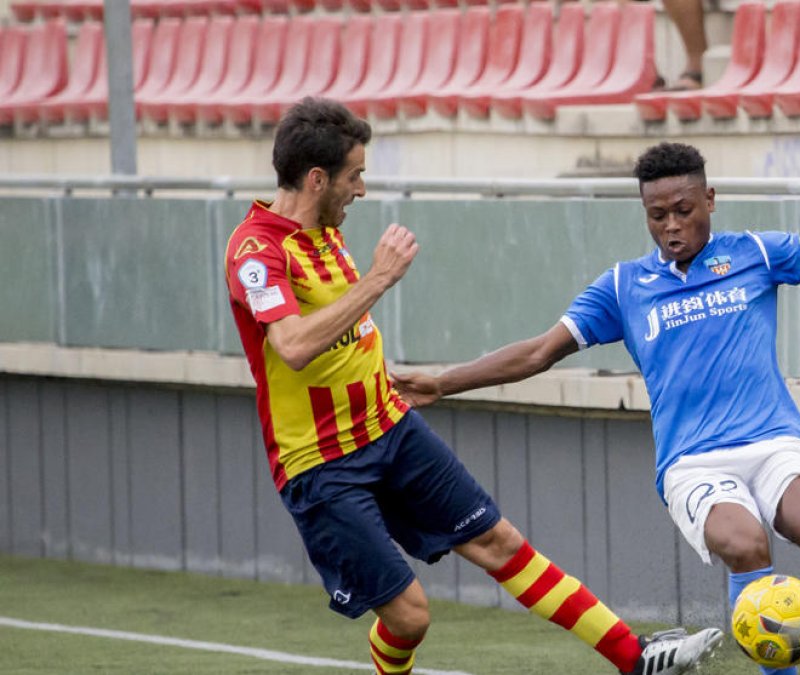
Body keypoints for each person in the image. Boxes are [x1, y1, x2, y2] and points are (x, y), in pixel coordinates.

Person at [392, 142, 800, 675]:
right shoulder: (622, 286)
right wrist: (444, 383)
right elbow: (538, 352)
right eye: (656, 215)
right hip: (693, 463)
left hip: (773, 441)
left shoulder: (759, 254)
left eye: (683, 210)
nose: (670, 226)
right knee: (746, 545)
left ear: (710, 199)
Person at [222, 99, 723, 675]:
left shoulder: (326, 231)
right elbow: (293, 345)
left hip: (389, 425)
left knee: (501, 543)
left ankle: (635, 660)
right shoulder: (255, 251)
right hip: (321, 463)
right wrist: (381, 278)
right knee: (410, 617)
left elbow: (336, 333)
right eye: (354, 175)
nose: (361, 189)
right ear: (318, 179)